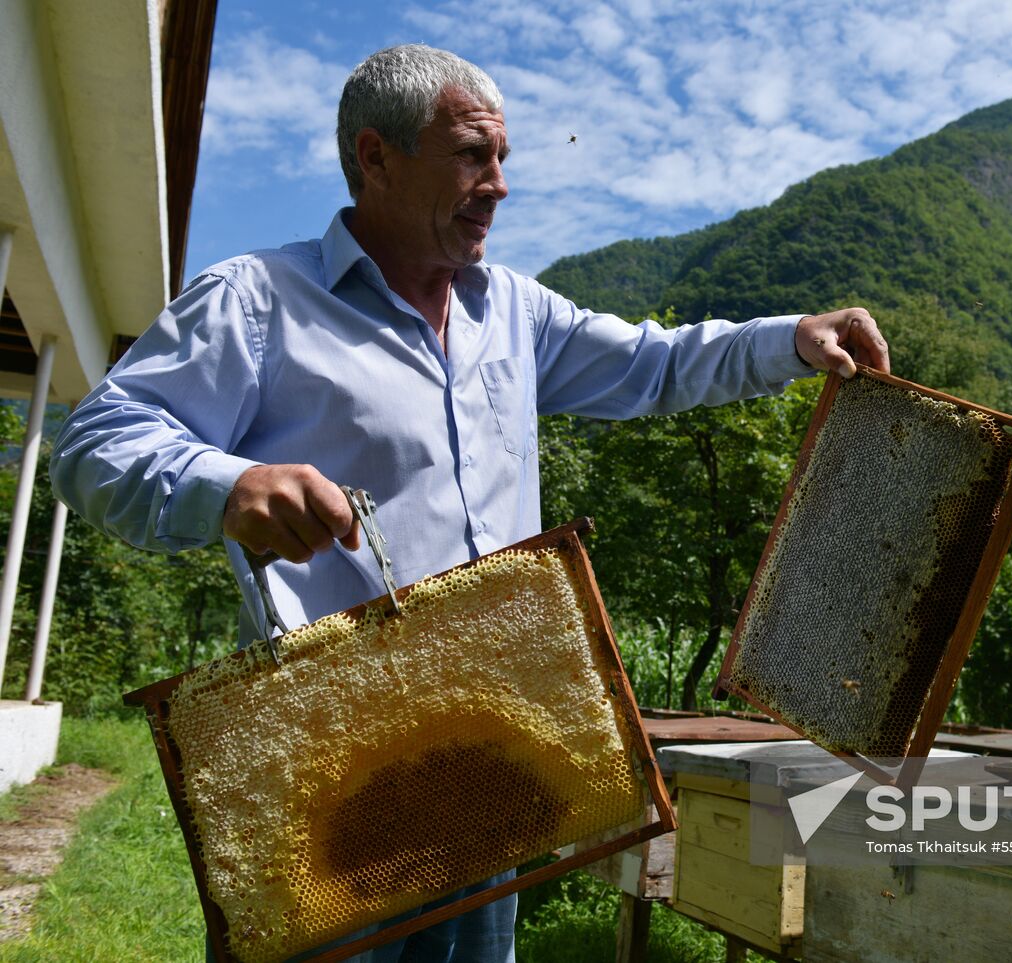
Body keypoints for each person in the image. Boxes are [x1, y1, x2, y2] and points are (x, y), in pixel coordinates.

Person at [50, 43, 889, 963]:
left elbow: (657, 363)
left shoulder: (513, 314)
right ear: (375, 158)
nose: (496, 185)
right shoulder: (259, 302)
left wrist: (791, 340)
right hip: (335, 784)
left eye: (502, 160)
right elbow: (95, 443)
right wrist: (227, 483)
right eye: (469, 156)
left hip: (492, 762)